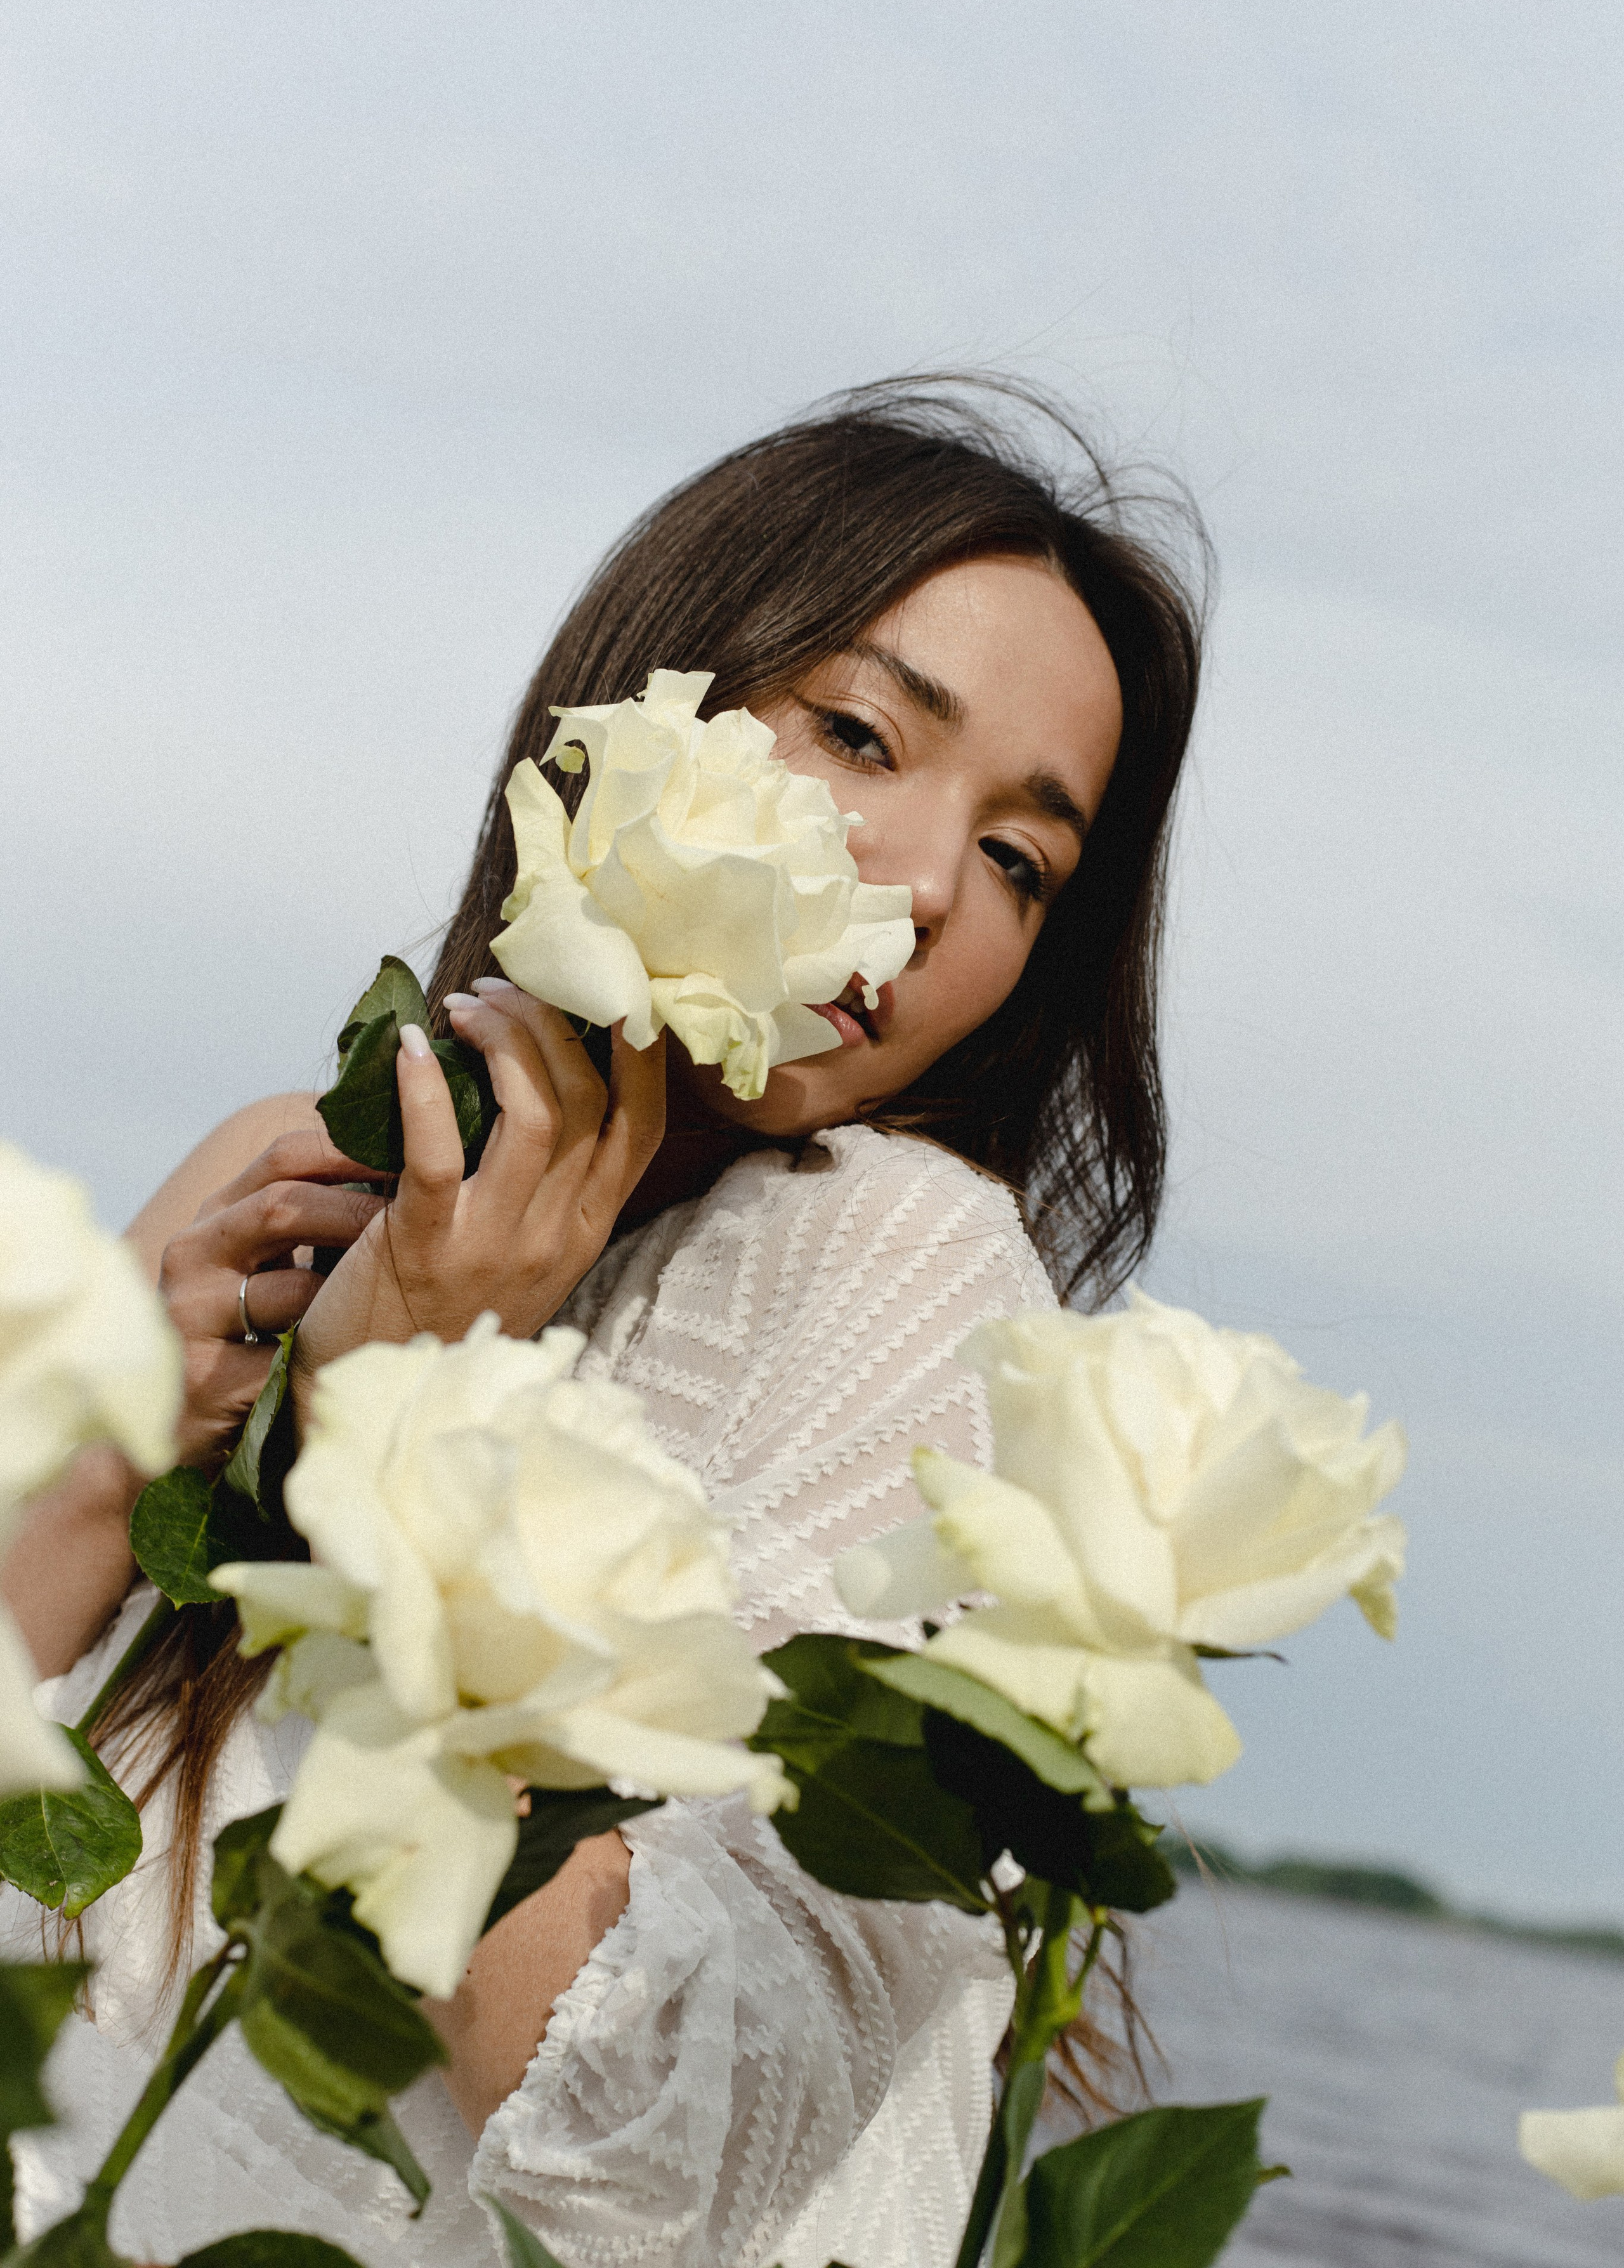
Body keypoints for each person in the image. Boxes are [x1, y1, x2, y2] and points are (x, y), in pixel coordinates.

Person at [2, 380, 1205, 2268]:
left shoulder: (911, 1276)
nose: (917, 890)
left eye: (1019, 862)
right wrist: (93, 1480)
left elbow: (651, 2161)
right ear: (658, 699)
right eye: (862, 733)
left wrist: (421, 1419)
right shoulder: (277, 1178)